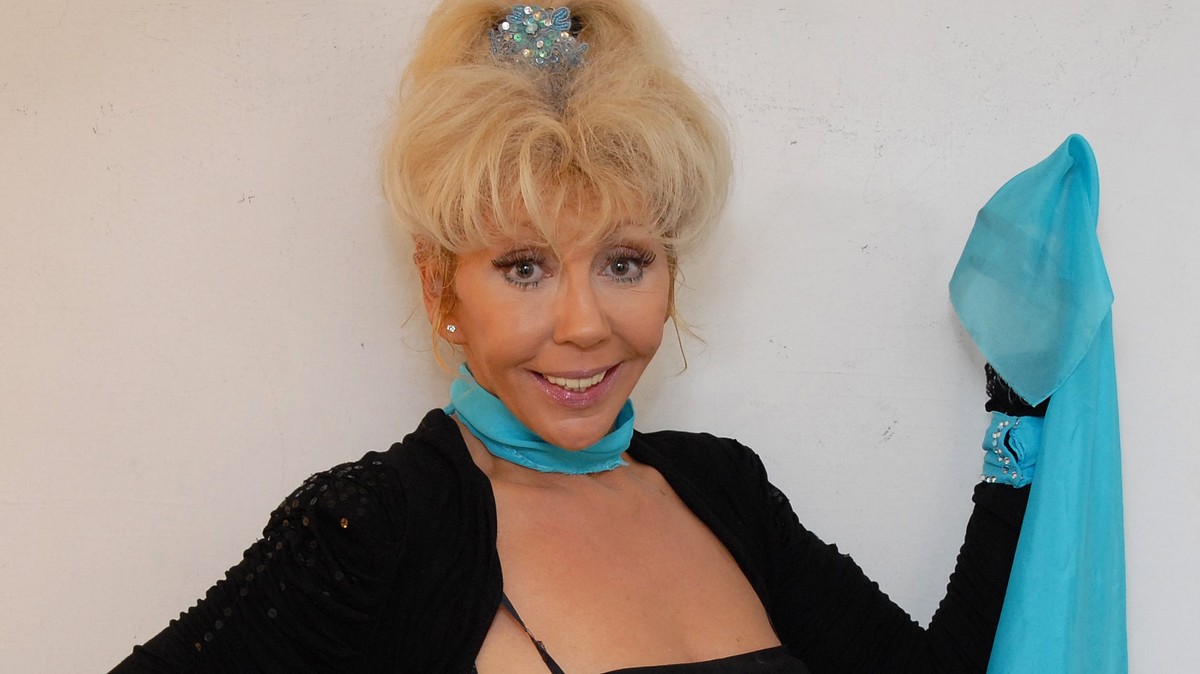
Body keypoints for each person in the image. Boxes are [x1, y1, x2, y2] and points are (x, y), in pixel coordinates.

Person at [110, 1, 1038, 672]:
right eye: (525, 267)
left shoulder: (725, 488)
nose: (586, 325)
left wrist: (1023, 419)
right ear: (441, 287)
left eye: (625, 262)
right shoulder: (374, 528)